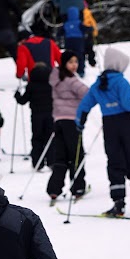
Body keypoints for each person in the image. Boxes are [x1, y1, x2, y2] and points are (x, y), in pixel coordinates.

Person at [76, 48, 130, 217]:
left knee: (115, 161)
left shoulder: (98, 84)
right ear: (119, 65)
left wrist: (80, 121)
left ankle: (119, 203)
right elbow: (129, 104)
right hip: (127, 122)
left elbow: (84, 105)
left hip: (110, 125)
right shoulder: (121, 82)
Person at [45, 49, 89, 204]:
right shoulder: (71, 80)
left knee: (61, 156)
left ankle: (54, 189)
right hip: (72, 121)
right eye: (71, 62)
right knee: (76, 154)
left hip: (58, 121)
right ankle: (78, 188)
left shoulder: (55, 77)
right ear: (64, 63)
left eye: (76, 61)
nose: (74, 65)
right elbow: (87, 93)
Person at [15, 63, 54, 168]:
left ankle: (37, 163)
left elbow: (23, 101)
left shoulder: (31, 85)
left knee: (37, 138)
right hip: (50, 114)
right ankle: (52, 161)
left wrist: (17, 96)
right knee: (50, 137)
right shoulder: (51, 83)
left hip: (36, 115)